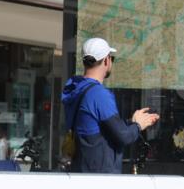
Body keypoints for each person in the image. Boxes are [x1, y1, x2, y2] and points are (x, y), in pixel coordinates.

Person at [61, 37, 159, 173]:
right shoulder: (98, 94)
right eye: (111, 58)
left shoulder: (77, 88)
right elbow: (123, 136)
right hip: (100, 178)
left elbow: (101, 128)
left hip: (82, 172)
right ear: (106, 60)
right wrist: (139, 126)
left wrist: (131, 122)